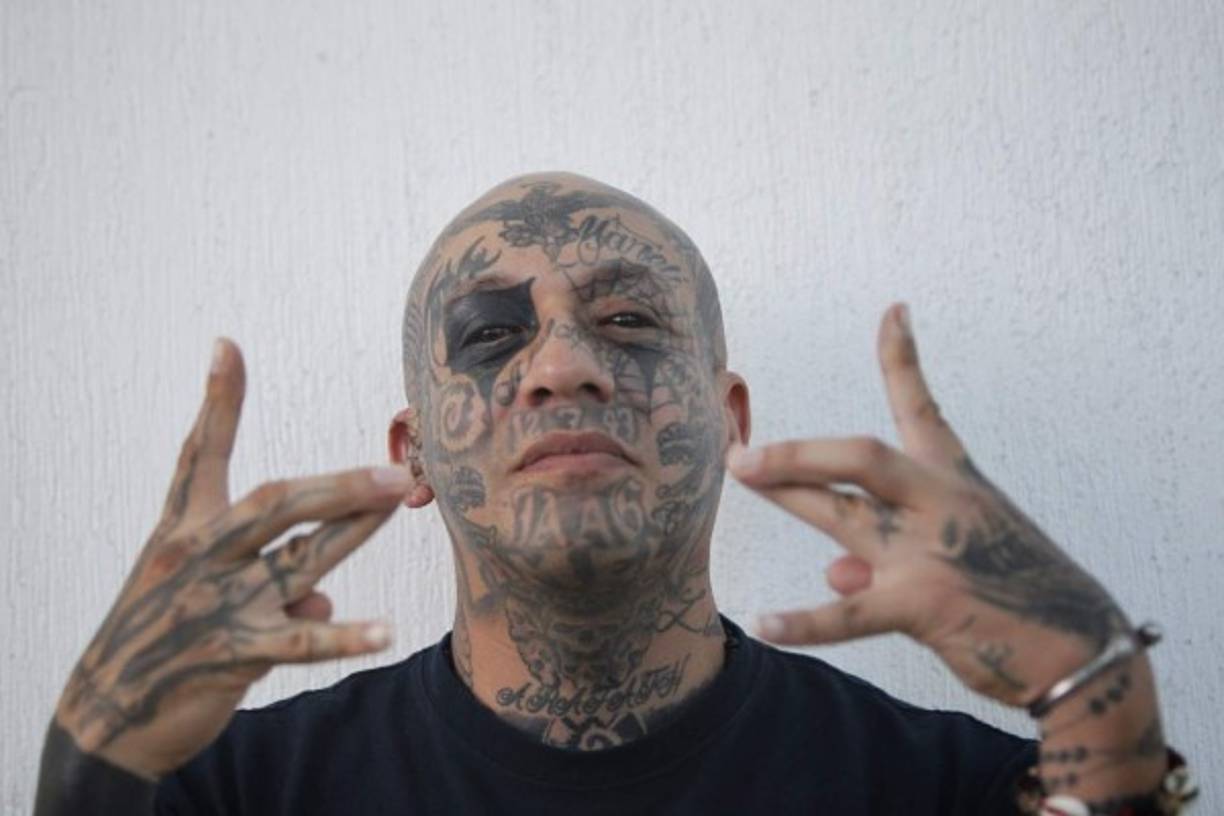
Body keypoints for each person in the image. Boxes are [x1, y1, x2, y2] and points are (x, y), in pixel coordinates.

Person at [36, 172, 1186, 815]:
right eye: (492, 336)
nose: (562, 367)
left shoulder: (945, 792)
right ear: (413, 453)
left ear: (730, 418)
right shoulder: (230, 796)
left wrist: (1100, 702)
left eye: (629, 320)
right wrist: (87, 765)